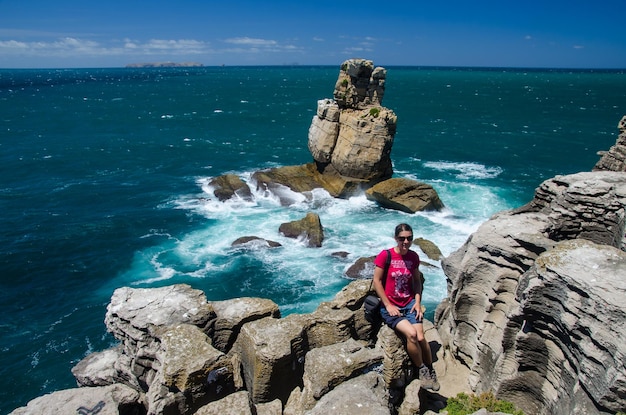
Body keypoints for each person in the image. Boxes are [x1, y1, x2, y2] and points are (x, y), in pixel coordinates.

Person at [372, 223, 439, 391]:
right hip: (391, 307)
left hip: (409, 303)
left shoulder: (413, 257)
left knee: (422, 338)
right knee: (412, 335)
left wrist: (417, 302)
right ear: (396, 239)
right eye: (402, 238)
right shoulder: (385, 256)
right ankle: (421, 369)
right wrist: (388, 305)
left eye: (409, 238)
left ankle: (430, 369)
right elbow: (377, 282)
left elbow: (417, 282)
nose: (406, 242)